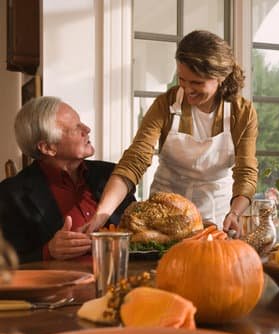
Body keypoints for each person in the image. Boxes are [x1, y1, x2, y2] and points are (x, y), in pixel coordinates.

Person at [86, 30, 258, 234]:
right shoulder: (165, 105)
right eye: (182, 80)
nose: (187, 89)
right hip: (163, 221)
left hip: (218, 218)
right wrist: (102, 214)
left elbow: (245, 172)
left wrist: (235, 213)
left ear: (220, 77)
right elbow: (135, 160)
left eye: (197, 82)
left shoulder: (242, 113)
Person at [0, 97, 135, 263]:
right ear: (48, 148)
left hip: (123, 283)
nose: (87, 129)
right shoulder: (12, 194)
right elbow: (6, 263)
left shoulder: (112, 175)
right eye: (76, 128)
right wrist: (48, 251)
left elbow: (138, 235)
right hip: (58, 287)